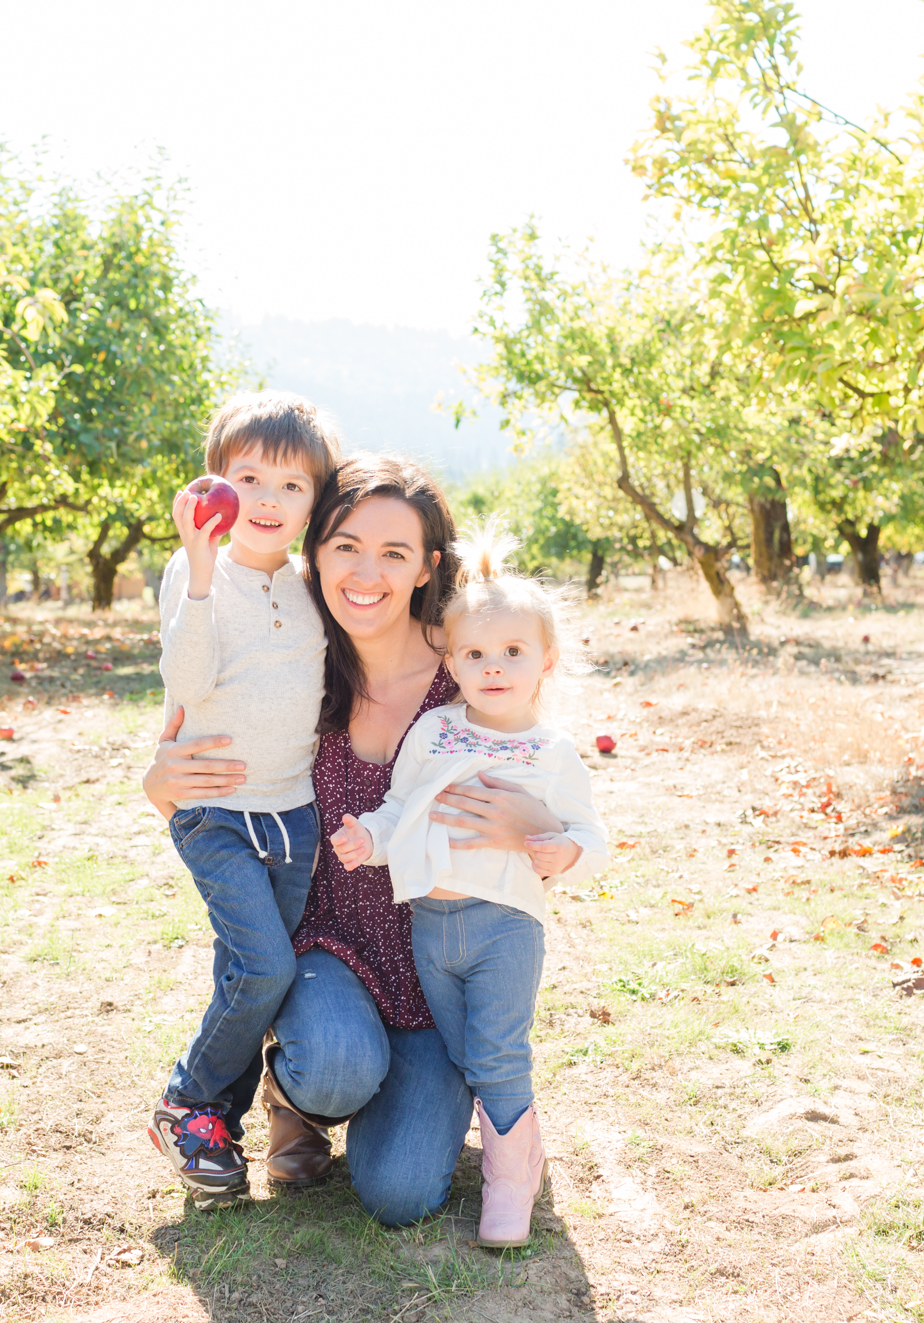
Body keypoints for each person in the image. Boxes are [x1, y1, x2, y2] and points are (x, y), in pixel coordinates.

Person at [144, 454, 590, 1227]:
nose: (366, 572)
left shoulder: (470, 674)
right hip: (330, 950)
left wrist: (537, 829)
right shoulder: (299, 668)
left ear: (428, 568)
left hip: (435, 974)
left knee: (399, 1193)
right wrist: (159, 783)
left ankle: (442, 1095)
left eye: (394, 553)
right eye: (345, 545)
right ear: (315, 553)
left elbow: (552, 792)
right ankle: (301, 1090)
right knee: (336, 1067)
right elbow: (191, 773)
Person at [327, 522, 608, 1247]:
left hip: (504, 924)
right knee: (462, 1050)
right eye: (476, 653)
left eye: (513, 652)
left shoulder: (550, 750)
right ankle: (504, 1137)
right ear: (451, 661)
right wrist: (371, 838)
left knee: (496, 1051)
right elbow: (401, 807)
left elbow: (592, 835)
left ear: (545, 661)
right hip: (431, 924)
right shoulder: (437, 732)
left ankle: (513, 1177)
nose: (493, 666)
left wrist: (561, 850)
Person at [146, 391, 341, 1209]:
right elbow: (185, 682)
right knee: (263, 964)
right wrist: (196, 569)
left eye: (292, 486)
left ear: (314, 503)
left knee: (248, 968)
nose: (267, 499)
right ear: (215, 481)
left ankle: (211, 1130)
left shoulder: (309, 585)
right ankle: (186, 1099)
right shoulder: (196, 574)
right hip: (216, 810)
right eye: (248, 476)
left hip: (293, 813)